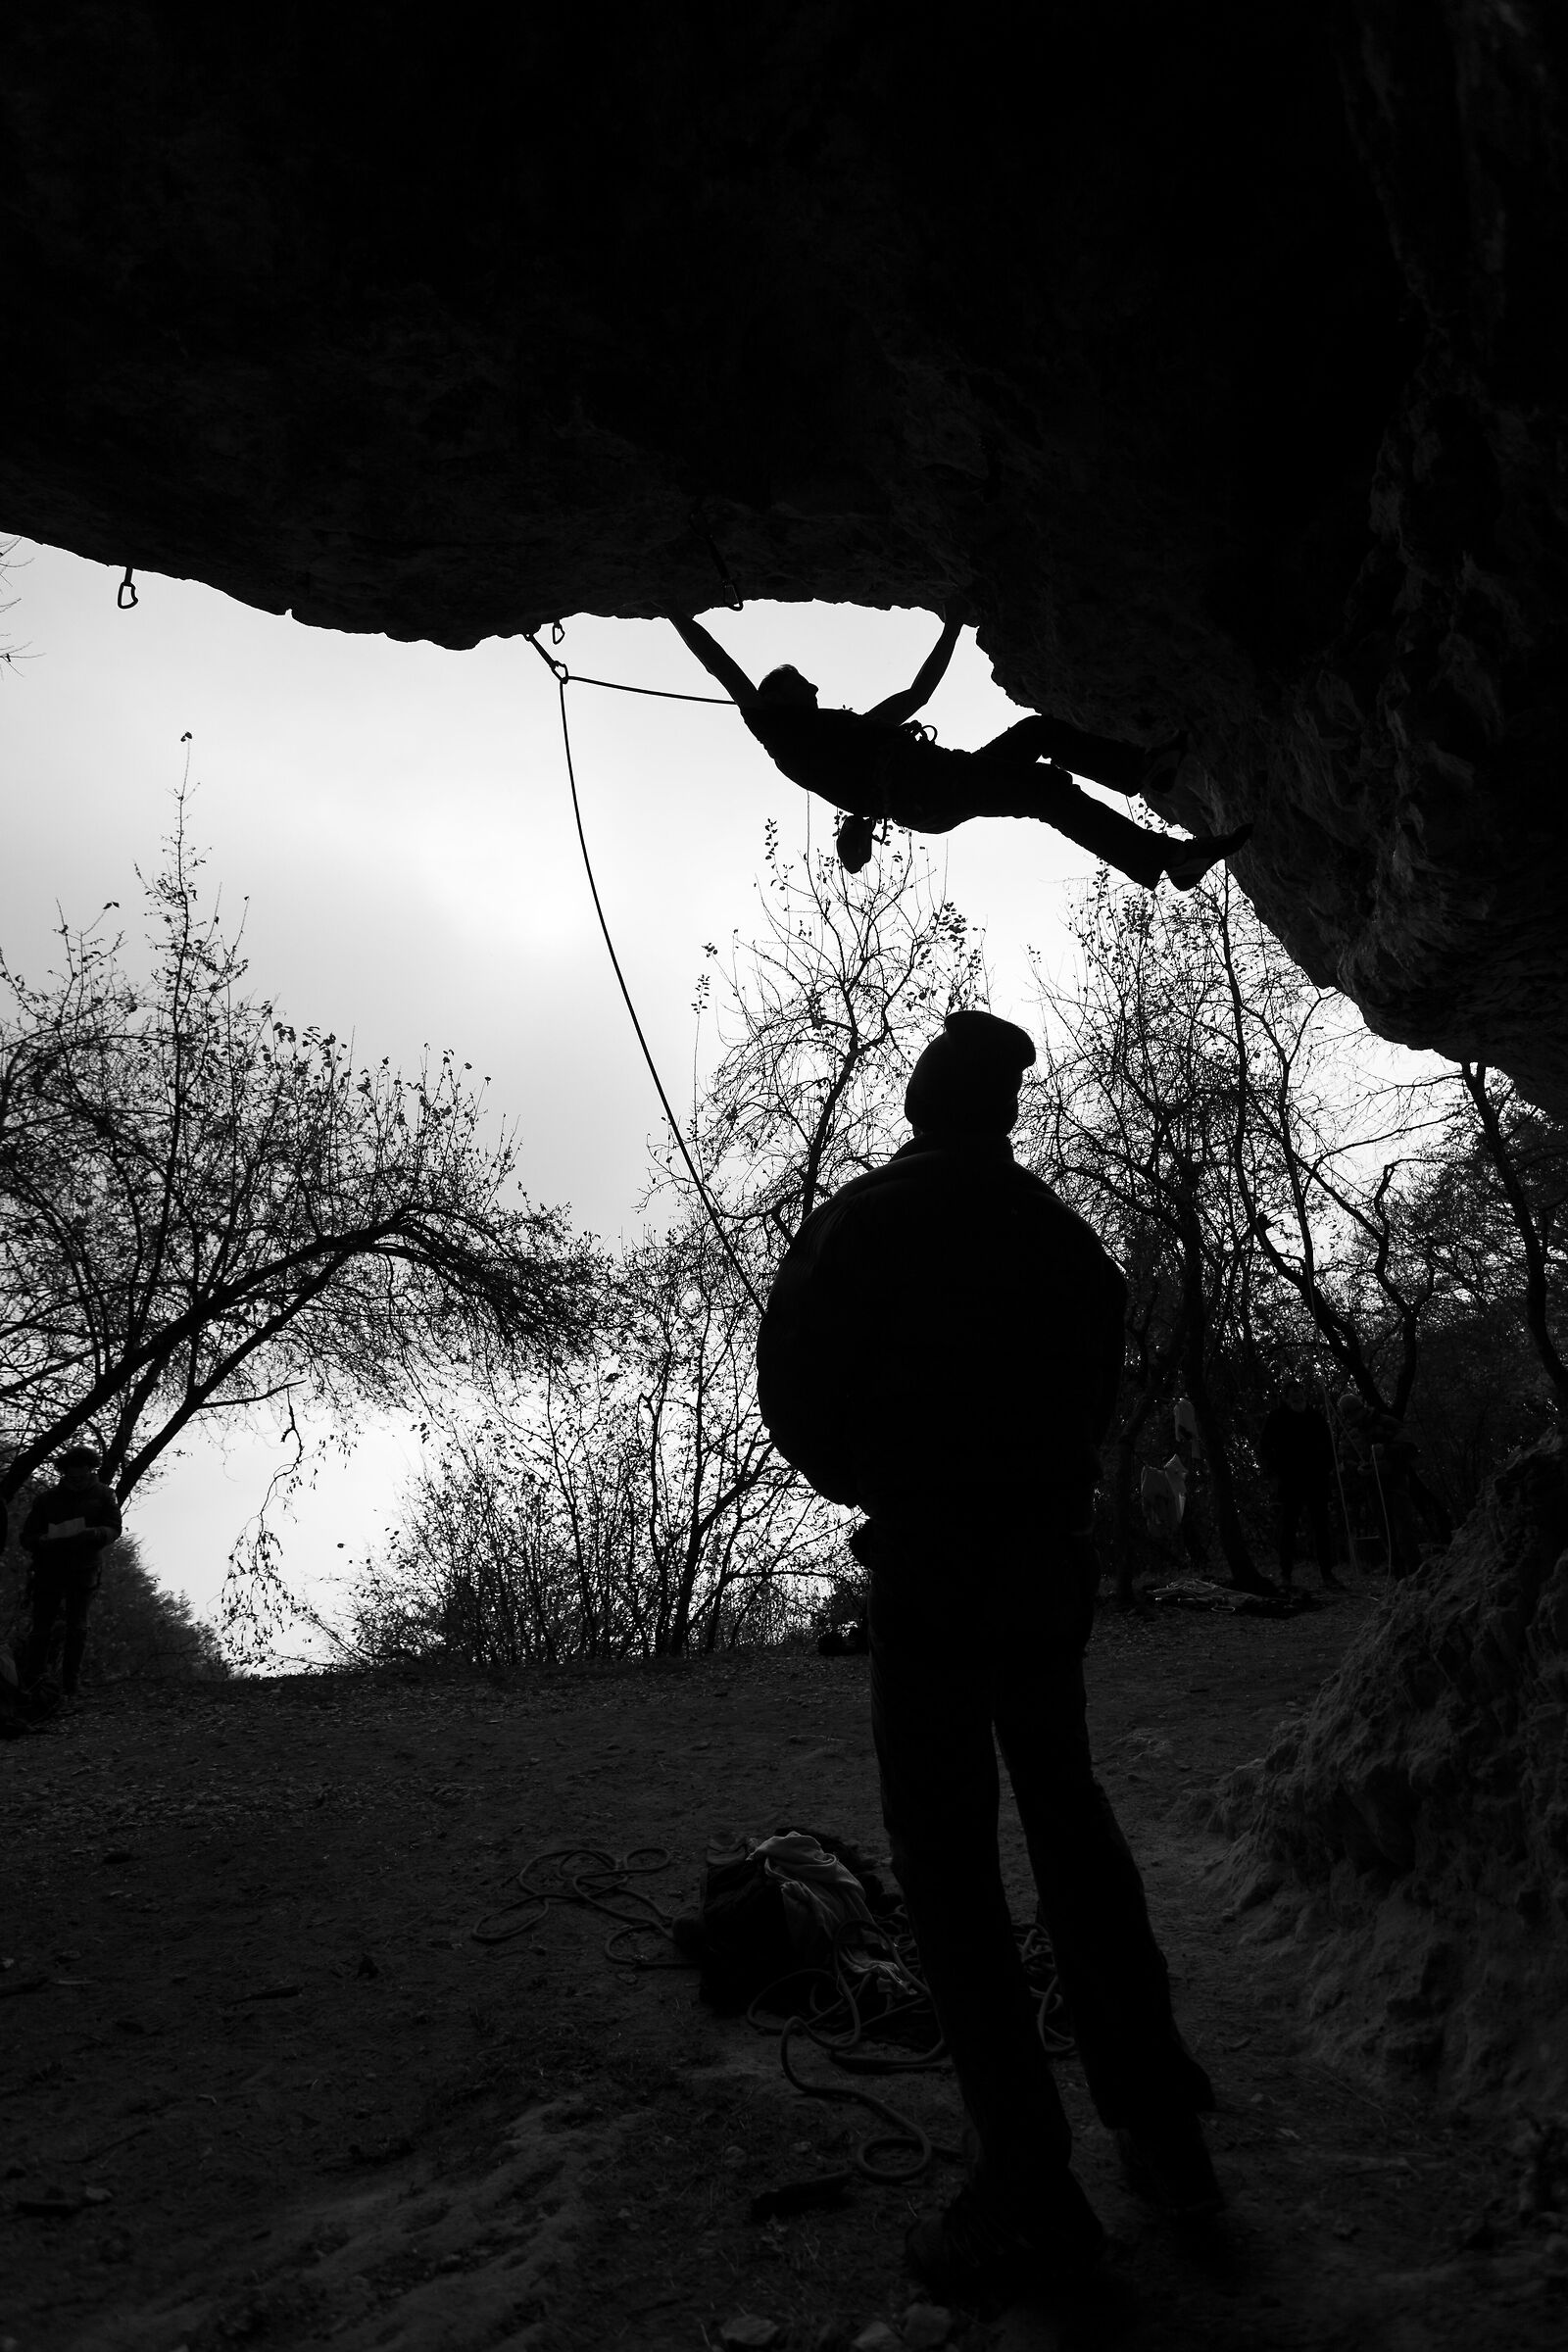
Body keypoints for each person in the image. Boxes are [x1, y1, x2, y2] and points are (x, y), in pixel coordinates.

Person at [756, 1008, 1219, 2313]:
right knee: (1070, 1815)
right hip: (1045, 1560)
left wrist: (876, 1479)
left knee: (948, 1856)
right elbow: (1091, 1399)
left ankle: (1026, 2178)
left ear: (919, 1107)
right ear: (1002, 1115)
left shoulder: (864, 1221)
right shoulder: (1069, 1245)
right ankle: (1161, 2127)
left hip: (936, 1557)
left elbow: (792, 1388)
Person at [670, 610, 1251, 891]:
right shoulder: (784, 738)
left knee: (1037, 734)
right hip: (924, 790)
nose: (818, 689)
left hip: (935, 781)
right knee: (1045, 793)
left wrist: (951, 626)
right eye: (805, 686)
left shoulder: (850, 732)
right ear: (782, 702)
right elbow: (725, 670)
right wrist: (676, 615)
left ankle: (1143, 769)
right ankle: (1164, 859)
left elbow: (917, 693)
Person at [17, 1446, 122, 1698]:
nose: (76, 1480)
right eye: (71, 1476)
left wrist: (96, 1534)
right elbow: (27, 1536)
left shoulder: (106, 1495)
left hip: (85, 1567)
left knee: (78, 1627)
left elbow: (114, 1529)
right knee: (41, 1627)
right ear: (64, 1473)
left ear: (90, 1470)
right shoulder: (46, 1499)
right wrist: (40, 1541)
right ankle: (34, 1682)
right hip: (48, 1568)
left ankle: (70, 1684)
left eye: (81, 1475)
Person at [1258, 1378, 1347, 1592]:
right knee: (1288, 1528)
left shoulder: (1315, 1417)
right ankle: (1285, 1575)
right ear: (1286, 1398)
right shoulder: (1277, 1418)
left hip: (1316, 1481)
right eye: (1293, 1395)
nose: (1298, 1398)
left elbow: (1329, 1446)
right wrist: (1274, 1473)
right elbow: (1264, 1447)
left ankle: (1327, 1574)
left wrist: (1327, 1468)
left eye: (1300, 1393)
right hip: (1290, 1482)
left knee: (1321, 1528)